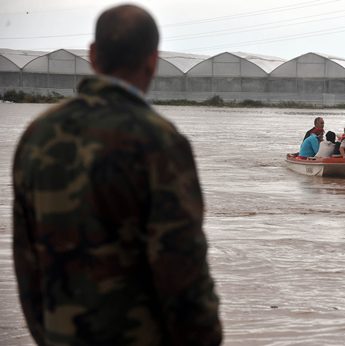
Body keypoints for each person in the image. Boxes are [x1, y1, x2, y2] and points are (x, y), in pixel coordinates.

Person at [12, 5, 222, 346]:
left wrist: (48, 334)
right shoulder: (159, 140)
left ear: (92, 55)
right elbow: (182, 266)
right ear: (153, 60)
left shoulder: (38, 134)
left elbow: (25, 259)